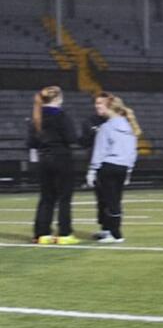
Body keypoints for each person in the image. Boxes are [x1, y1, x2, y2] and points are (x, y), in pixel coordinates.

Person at [27, 85, 78, 244]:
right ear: (58, 98)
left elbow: (31, 142)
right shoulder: (62, 116)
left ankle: (42, 234)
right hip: (62, 158)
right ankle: (64, 234)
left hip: (43, 160)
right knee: (64, 197)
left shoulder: (36, 117)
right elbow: (71, 138)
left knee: (46, 198)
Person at [87, 92, 141, 243]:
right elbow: (132, 152)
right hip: (123, 167)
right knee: (114, 200)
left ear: (110, 107)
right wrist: (129, 171)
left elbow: (100, 151)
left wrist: (92, 170)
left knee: (109, 201)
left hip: (108, 166)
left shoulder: (106, 127)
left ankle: (115, 233)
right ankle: (110, 230)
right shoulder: (129, 127)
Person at [80, 93, 109, 236]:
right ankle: (104, 228)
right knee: (101, 198)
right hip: (96, 163)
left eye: (101, 103)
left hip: (112, 162)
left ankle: (112, 229)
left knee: (112, 198)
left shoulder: (115, 120)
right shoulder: (90, 121)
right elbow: (84, 143)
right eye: (96, 103)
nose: (98, 106)